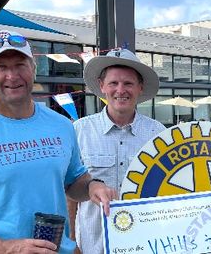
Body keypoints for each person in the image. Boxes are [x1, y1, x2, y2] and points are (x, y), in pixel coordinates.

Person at [0, 30, 115, 254]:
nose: (12, 76)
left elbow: (73, 182)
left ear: (33, 67)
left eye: (20, 64)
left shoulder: (61, 125)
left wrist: (93, 186)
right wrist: (5, 248)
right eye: (1, 67)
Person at [69, 48, 165, 253]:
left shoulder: (158, 134)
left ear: (140, 87)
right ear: (102, 86)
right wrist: (70, 242)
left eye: (128, 83)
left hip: (146, 245)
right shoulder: (79, 131)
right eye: (114, 83)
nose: (121, 90)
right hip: (93, 246)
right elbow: (69, 193)